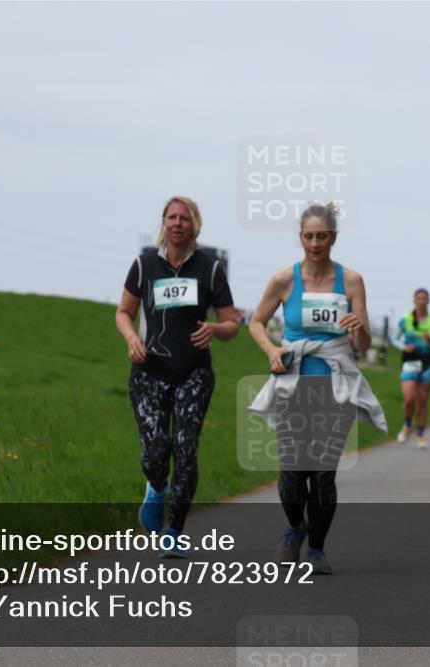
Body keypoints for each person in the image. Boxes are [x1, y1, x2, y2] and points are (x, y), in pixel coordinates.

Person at [248, 202, 387, 575]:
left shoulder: (352, 281)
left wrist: (359, 326)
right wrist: (272, 349)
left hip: (335, 387)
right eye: (308, 236)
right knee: (294, 474)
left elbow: (362, 346)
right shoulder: (284, 280)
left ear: (333, 238)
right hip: (293, 387)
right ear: (300, 238)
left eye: (321, 236)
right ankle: (295, 527)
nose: (314, 243)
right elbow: (257, 323)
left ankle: (318, 551)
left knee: (323, 473)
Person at [116, 196, 240, 558]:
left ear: (194, 225)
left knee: (185, 451)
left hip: (193, 373)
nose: (177, 223)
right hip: (149, 370)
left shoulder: (210, 269)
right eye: (172, 217)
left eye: (185, 218)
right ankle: (156, 488)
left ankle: (174, 531)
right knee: (155, 453)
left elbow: (232, 322)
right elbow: (124, 312)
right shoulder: (144, 266)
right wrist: (131, 338)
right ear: (164, 223)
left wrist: (215, 330)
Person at [392, 288, 430, 448]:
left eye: (424, 298)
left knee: (422, 401)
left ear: (429, 301)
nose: (421, 301)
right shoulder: (405, 320)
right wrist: (403, 347)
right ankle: (407, 425)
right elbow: (394, 338)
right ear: (414, 300)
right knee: (409, 399)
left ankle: (420, 434)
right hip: (409, 362)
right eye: (418, 298)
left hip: (428, 365)